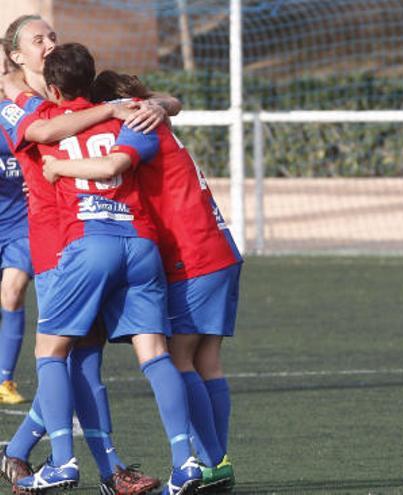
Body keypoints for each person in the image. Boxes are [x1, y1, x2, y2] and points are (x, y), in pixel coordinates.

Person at [9, 43, 200, 495]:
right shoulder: (126, 117)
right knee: (154, 354)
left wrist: (59, 168)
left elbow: (36, 129)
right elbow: (165, 108)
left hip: (87, 246)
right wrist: (141, 104)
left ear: (53, 88)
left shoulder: (50, 130)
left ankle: (62, 461)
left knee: (51, 352)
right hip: (140, 245)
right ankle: (185, 461)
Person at [43, 69, 242, 491]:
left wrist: (59, 167)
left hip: (192, 254)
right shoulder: (157, 118)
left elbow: (113, 164)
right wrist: (160, 103)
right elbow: (171, 102)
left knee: (178, 357)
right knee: (207, 359)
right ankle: (215, 461)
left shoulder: (135, 126)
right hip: (218, 248)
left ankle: (205, 462)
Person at [0, 61, 31, 406]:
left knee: (12, 291)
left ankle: (4, 380)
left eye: (7, 65)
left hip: (22, 224)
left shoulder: (24, 111)